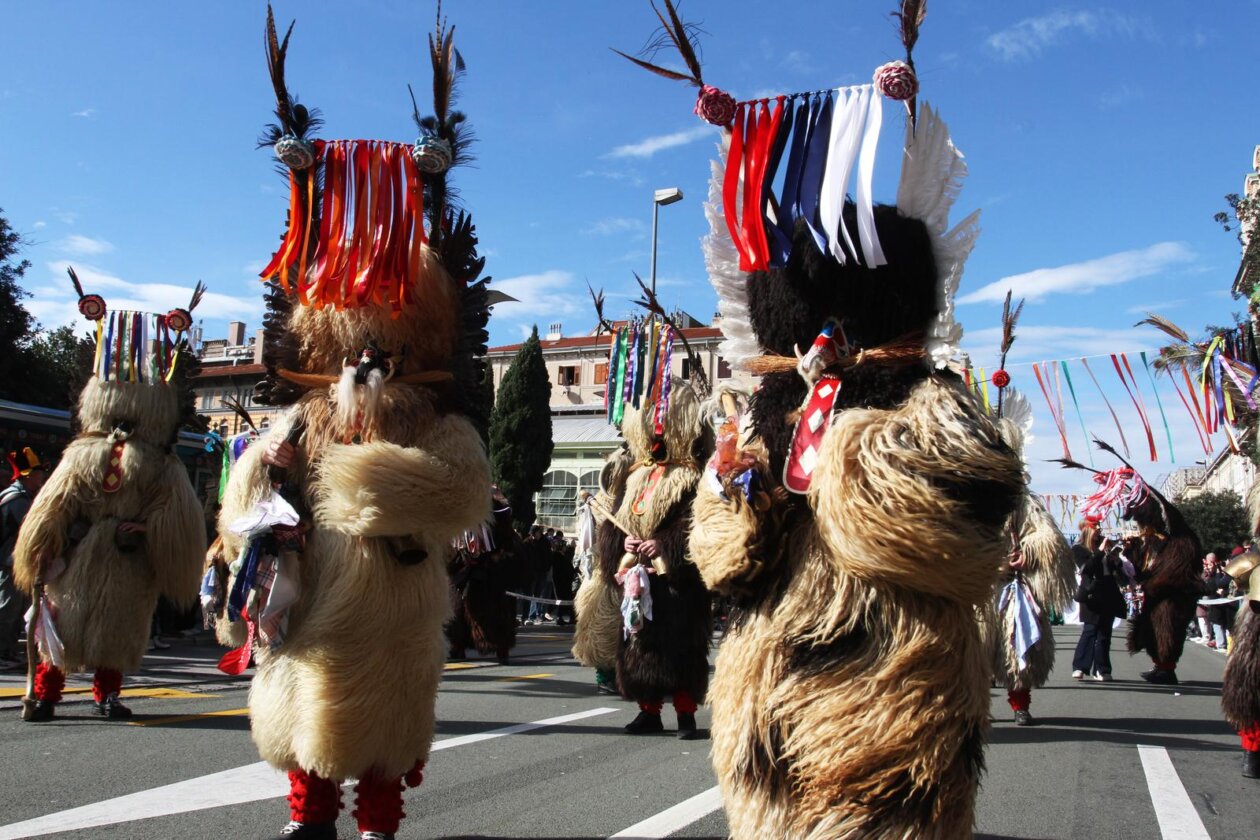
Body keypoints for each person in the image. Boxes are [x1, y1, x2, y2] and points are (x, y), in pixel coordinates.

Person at [217, 11, 494, 838]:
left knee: (386, 720)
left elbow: (461, 488)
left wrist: (360, 479)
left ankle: (378, 823)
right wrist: (264, 465)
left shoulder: (431, 414)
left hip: (396, 593)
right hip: (319, 593)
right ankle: (309, 819)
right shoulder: (304, 411)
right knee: (308, 711)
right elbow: (248, 503)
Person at [13, 276, 206, 723]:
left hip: (128, 557)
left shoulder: (163, 464)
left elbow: (175, 517)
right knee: (59, 628)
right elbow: (56, 504)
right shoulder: (82, 453)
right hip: (79, 555)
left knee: (117, 630)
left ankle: (106, 695)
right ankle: (45, 693)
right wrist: (45, 541)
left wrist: (148, 530)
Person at [0, 448, 51, 670]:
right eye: (38, 474)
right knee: (7, 609)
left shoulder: (26, 497)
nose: (41, 478)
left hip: (18, 563)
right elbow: (29, 530)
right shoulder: (17, 500)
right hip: (9, 563)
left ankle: (8, 650)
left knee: (17, 609)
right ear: (27, 475)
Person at [1071, 528, 1127, 681]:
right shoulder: (1079, 548)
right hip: (1092, 593)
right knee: (1090, 629)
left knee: (1105, 633)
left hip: (1109, 593)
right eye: (1095, 529)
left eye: (1099, 529)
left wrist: (1116, 559)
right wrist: (1100, 551)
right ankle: (1079, 667)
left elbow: (1118, 572)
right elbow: (1087, 568)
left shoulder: (1106, 545)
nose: (1098, 532)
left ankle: (1102, 669)